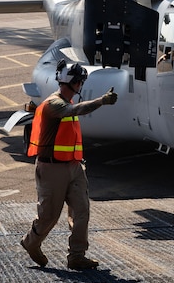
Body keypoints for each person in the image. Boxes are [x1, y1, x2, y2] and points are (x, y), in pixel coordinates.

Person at [20, 60, 118, 270]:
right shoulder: (54, 104)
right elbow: (74, 110)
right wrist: (101, 101)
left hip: (73, 167)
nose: (81, 85)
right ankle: (31, 242)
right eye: (80, 81)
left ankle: (76, 256)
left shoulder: (66, 103)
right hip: (52, 168)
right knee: (49, 216)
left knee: (81, 210)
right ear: (73, 82)